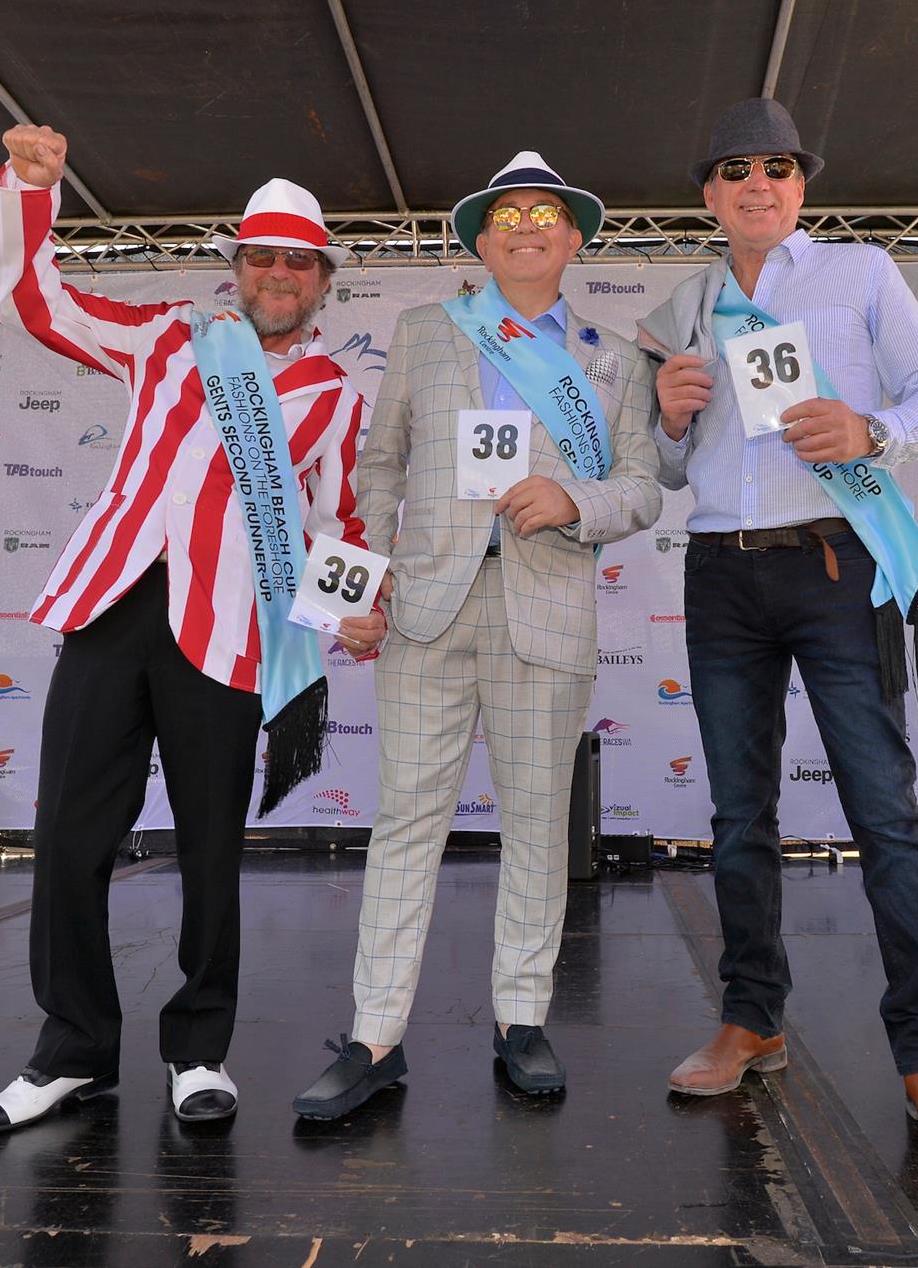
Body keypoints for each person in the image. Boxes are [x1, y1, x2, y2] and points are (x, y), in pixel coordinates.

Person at [0, 124, 378, 1133]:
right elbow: (33, 302)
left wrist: (351, 608)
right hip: (112, 605)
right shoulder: (167, 338)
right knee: (69, 836)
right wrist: (31, 190)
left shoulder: (336, 397)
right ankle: (72, 1051)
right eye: (262, 257)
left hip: (227, 632)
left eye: (298, 262)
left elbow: (342, 524)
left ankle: (198, 1049)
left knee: (211, 850)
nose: (279, 275)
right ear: (238, 268)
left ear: (323, 282)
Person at [637, 98, 918, 1165]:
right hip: (720, 573)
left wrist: (870, 427)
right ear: (708, 194)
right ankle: (753, 1019)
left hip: (840, 564)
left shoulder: (862, 273)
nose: (760, 183)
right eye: (737, 168)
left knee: (884, 811)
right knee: (737, 814)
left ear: (802, 185)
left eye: (779, 167)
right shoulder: (685, 304)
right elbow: (667, 470)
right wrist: (667, 415)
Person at [293, 152, 662, 1119]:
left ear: (574, 238)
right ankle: (374, 1036)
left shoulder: (615, 358)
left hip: (547, 609)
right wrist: (364, 586)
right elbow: (377, 470)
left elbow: (641, 485)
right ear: (481, 241)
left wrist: (574, 499)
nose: (526, 229)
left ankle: (521, 1019)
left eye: (545, 216)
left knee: (538, 824)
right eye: (508, 216)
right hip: (426, 608)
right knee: (405, 823)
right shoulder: (425, 332)